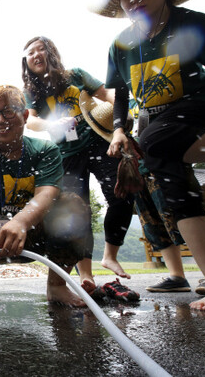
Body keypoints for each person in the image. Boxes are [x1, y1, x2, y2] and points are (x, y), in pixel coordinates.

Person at [93, 0, 205, 310]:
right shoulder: (121, 45)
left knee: (153, 140)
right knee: (175, 192)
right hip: (157, 130)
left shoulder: (191, 22)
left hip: (201, 106)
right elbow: (121, 92)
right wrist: (119, 129)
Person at [0, 84, 90, 307]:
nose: (0, 120)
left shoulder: (45, 150)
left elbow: (47, 194)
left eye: (8, 111)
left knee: (73, 206)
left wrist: (21, 221)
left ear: (25, 115)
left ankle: (57, 285)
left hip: (34, 233)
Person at [21, 36, 134, 294]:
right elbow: (31, 121)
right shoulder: (31, 92)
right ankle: (86, 275)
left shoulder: (76, 75)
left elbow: (107, 94)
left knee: (123, 193)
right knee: (77, 210)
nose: (36, 55)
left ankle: (110, 254)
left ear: (52, 52)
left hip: (98, 142)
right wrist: (52, 125)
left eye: (41, 49)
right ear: (26, 62)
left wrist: (126, 109)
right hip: (65, 153)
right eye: (30, 53)